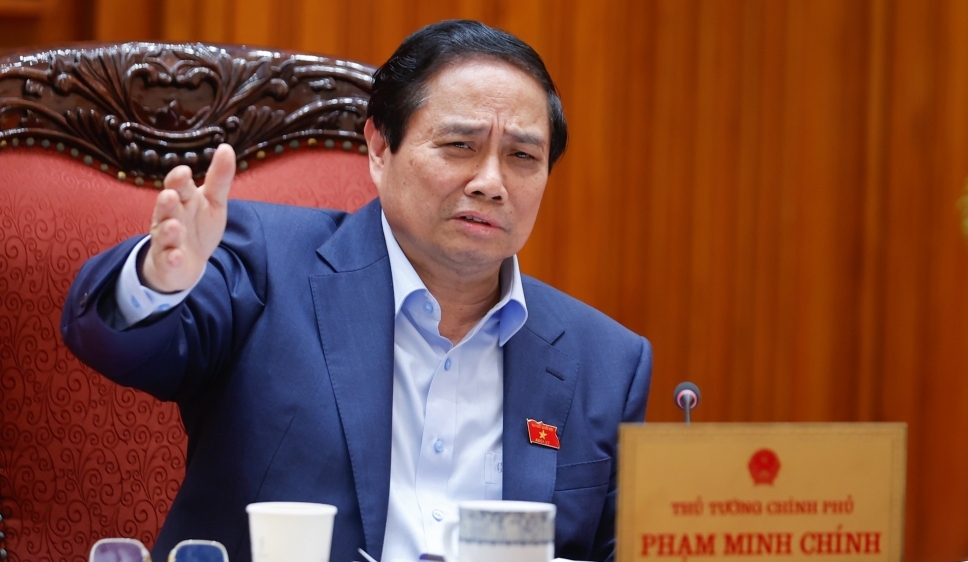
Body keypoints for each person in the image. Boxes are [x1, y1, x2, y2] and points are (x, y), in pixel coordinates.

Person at [61, 20, 651, 562]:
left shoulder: (607, 362)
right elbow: (111, 342)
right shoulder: (266, 263)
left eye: (522, 156)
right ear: (379, 147)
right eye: (460, 146)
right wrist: (158, 282)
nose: (491, 183)